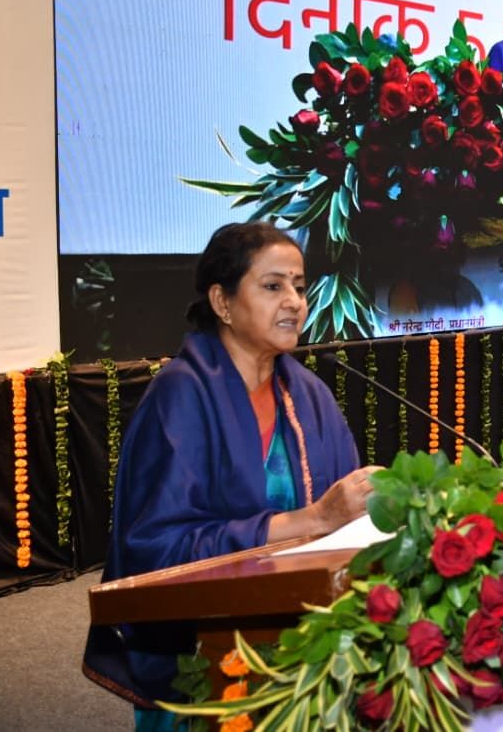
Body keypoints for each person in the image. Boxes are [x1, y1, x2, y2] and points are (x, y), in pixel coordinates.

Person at [83, 222, 380, 721]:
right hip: (204, 660)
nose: (294, 302)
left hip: (311, 644)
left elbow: (348, 530)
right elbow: (156, 551)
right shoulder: (180, 396)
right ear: (222, 303)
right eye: (272, 286)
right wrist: (311, 521)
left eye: (300, 286)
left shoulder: (309, 395)